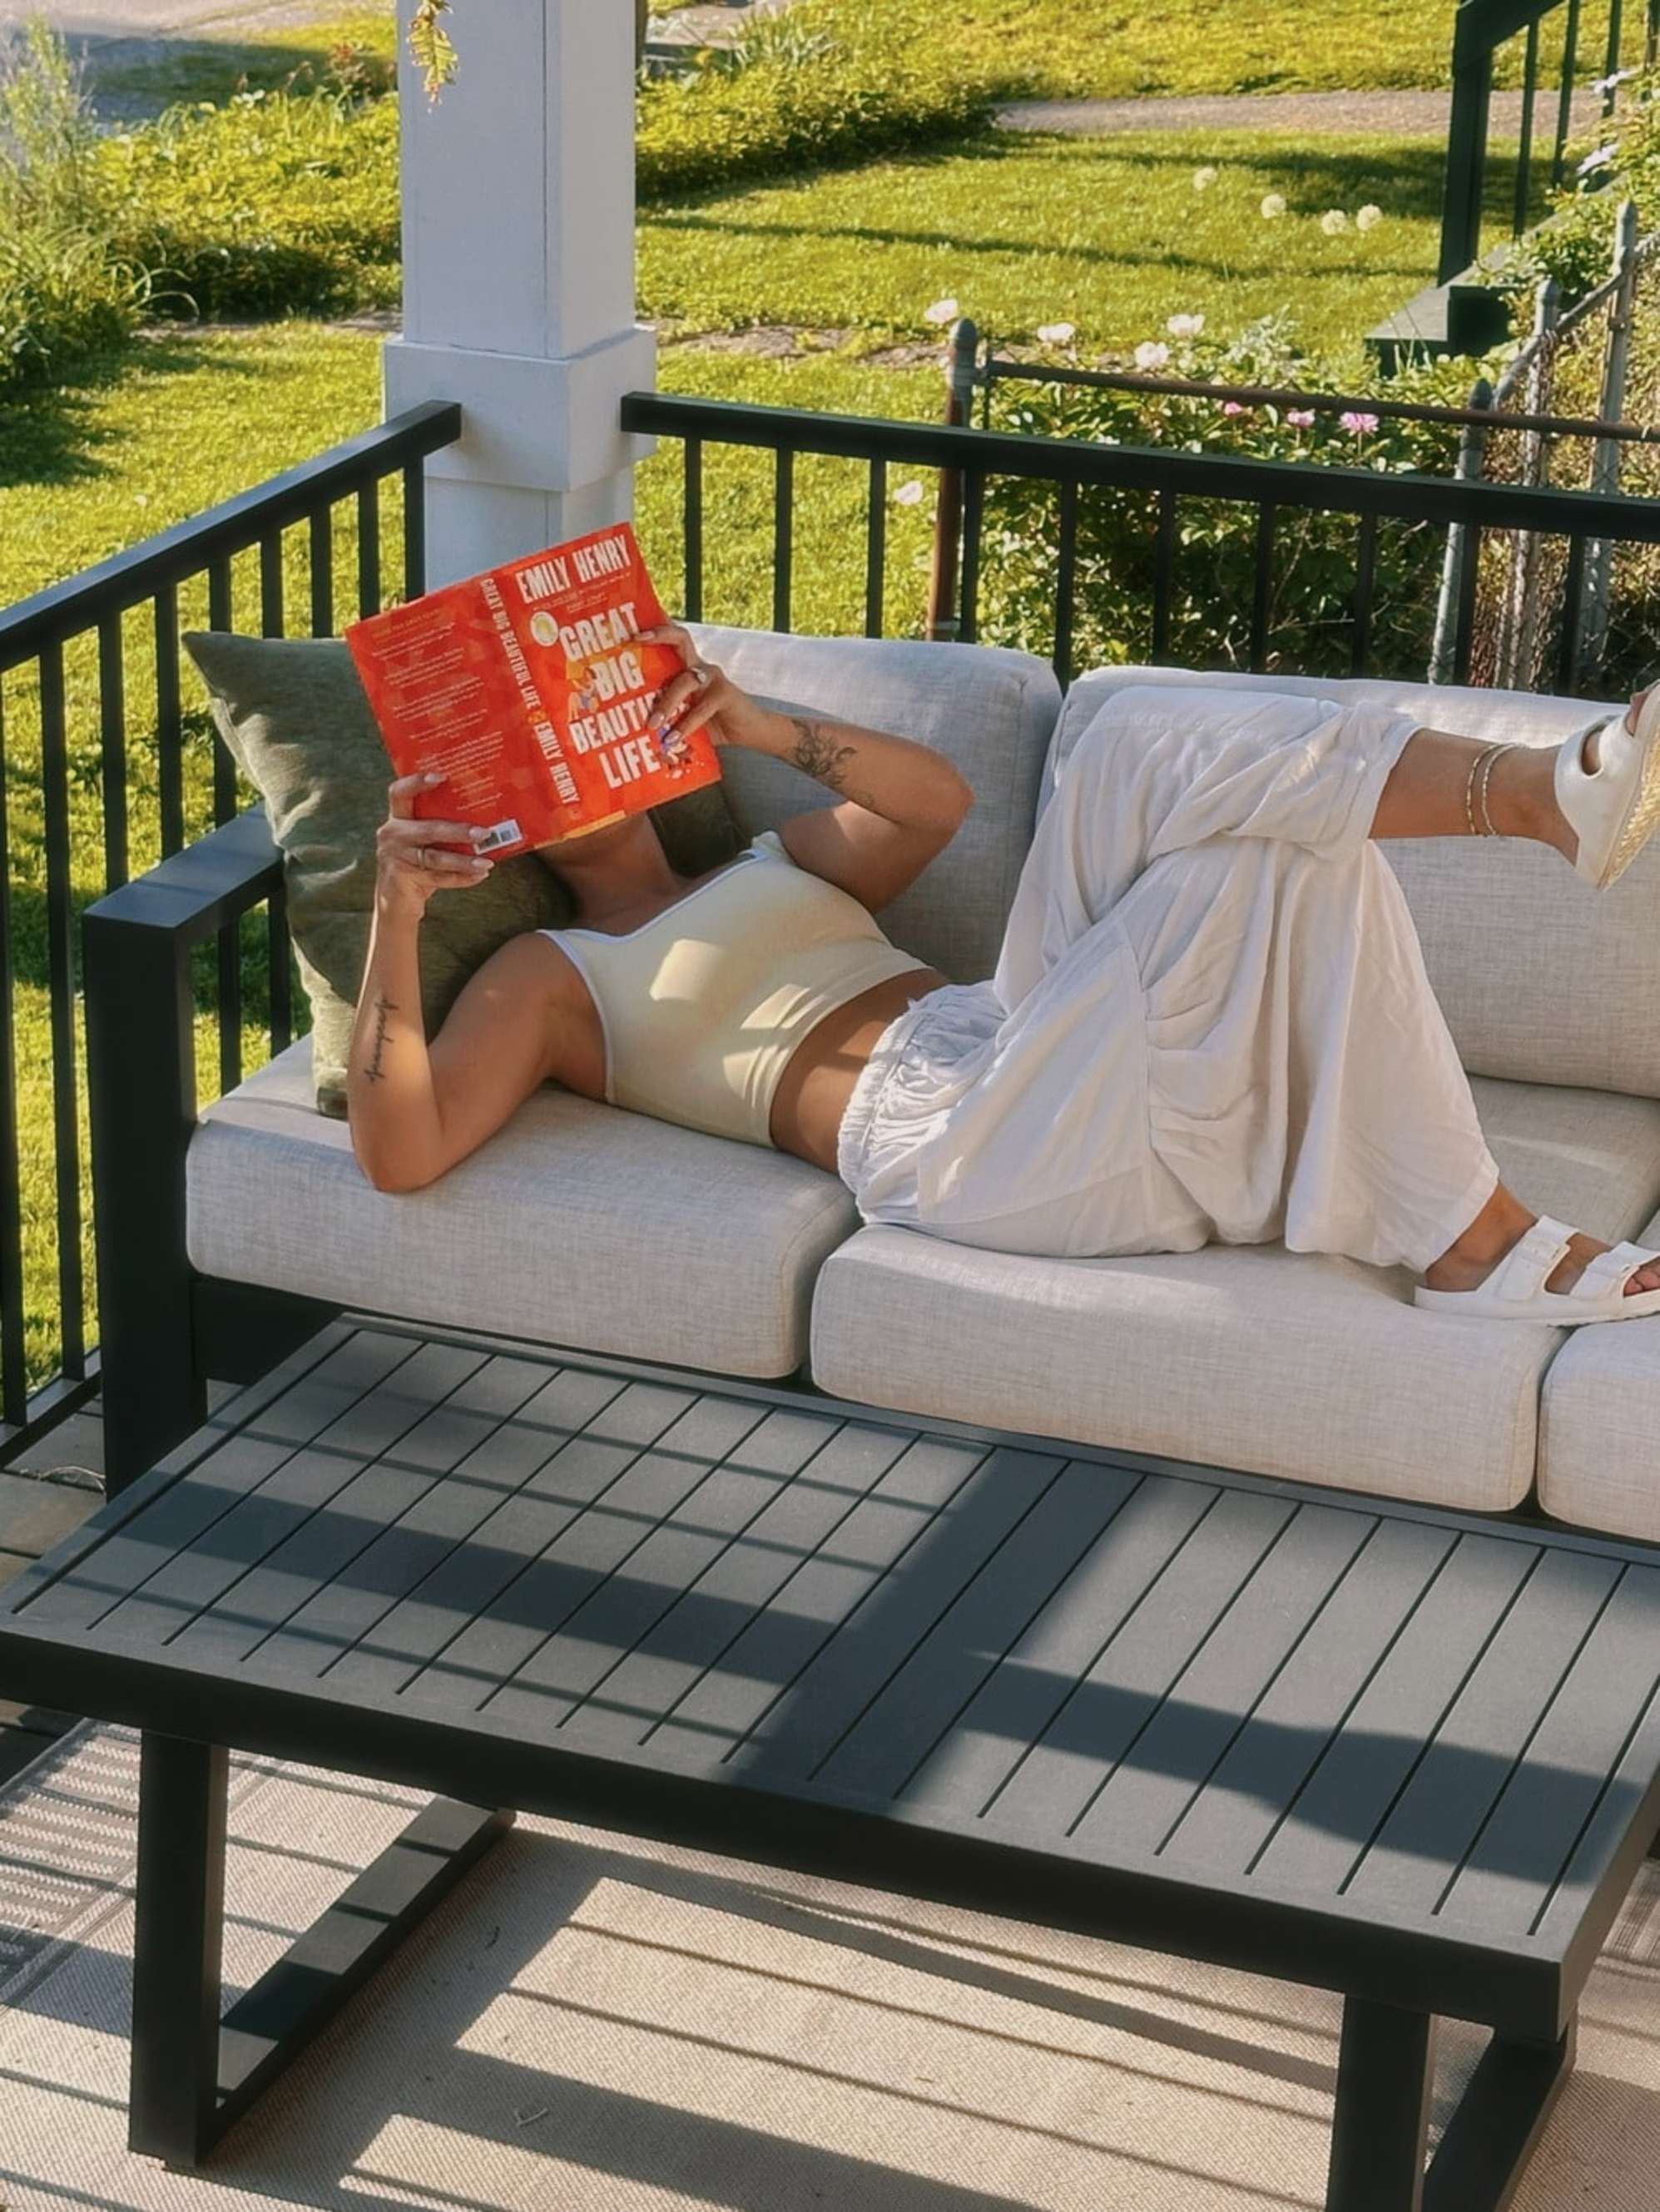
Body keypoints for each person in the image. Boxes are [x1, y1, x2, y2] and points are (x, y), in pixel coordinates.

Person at [346, 623, 1660, 1326]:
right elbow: (402, 1153)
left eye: (585, 738)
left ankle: (1549, 794)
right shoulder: (551, 973)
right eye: (539, 773)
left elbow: (934, 801)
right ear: (502, 815)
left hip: (1015, 1036)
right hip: (957, 1151)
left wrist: (750, 717)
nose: (578, 772)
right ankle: (1480, 1237)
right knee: (1244, 822)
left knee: (1213, 792)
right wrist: (396, 909)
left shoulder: (772, 859)